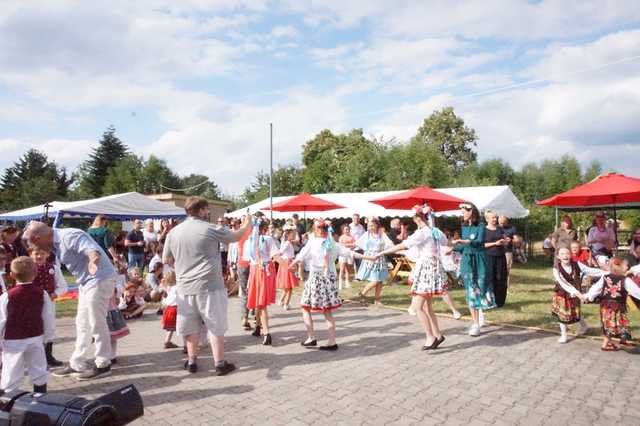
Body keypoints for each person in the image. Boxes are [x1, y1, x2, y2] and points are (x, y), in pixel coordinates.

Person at [162, 196, 251, 375]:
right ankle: (219, 363)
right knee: (215, 324)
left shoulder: (173, 232)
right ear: (201, 210)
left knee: (191, 327)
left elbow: (166, 259)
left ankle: (192, 361)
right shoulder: (209, 228)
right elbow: (236, 236)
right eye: (207, 209)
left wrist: (183, 265)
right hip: (209, 286)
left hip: (185, 288)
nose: (208, 212)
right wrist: (247, 223)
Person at [24, 221, 117, 380]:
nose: (38, 248)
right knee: (81, 322)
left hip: (99, 279)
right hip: (86, 282)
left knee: (96, 322)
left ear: (38, 238)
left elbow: (92, 250)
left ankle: (103, 364)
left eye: (34, 243)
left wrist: (93, 260)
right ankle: (77, 363)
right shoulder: (54, 244)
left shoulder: (69, 236)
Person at [376, 205, 447, 350]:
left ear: (416, 218)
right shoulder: (435, 231)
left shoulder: (422, 232)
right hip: (433, 267)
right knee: (427, 305)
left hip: (426, 268)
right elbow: (446, 243)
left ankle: (430, 337)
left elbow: (403, 245)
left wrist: (382, 253)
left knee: (418, 306)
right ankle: (438, 335)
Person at [289, 220, 357, 351]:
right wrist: (368, 257)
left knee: (305, 307)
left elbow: (301, 255)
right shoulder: (332, 243)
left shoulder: (314, 241)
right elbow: (349, 252)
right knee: (327, 311)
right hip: (329, 279)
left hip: (316, 279)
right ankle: (331, 341)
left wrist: (291, 265)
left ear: (316, 230)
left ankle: (312, 338)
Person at [0, 256, 54, 393]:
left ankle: (8, 403)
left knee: (12, 372)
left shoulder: (6, 297)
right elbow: (47, 317)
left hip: (13, 340)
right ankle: (41, 396)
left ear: (11, 275)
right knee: (39, 369)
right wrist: (47, 337)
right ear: (35, 274)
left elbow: (2, 320)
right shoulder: (42, 294)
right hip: (35, 337)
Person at [452, 203, 497, 337]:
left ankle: (481, 314)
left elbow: (479, 242)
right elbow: (463, 246)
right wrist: (453, 248)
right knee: (470, 290)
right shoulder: (464, 226)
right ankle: (475, 323)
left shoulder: (481, 226)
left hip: (480, 261)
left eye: (463, 211)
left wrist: (466, 242)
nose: (462, 214)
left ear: (471, 211)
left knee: (481, 288)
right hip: (467, 261)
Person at [583, 258, 640, 351]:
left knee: (610, 324)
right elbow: (636, 292)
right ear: (620, 267)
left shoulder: (605, 277)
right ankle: (605, 344)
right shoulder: (625, 280)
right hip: (616, 307)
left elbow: (595, 288)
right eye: (626, 266)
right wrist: (588, 296)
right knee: (614, 325)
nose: (627, 267)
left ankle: (622, 340)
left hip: (606, 306)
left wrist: (589, 296)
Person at [551, 247, 606, 344]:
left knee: (575, 310)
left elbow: (590, 271)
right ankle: (564, 335)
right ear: (558, 257)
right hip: (562, 293)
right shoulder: (556, 269)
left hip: (575, 291)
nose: (565, 256)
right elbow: (564, 283)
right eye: (562, 254)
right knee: (562, 314)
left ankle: (584, 325)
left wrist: (607, 273)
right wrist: (578, 294)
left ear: (571, 255)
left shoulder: (577, 264)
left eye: (567, 253)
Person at [28, 246, 68, 368]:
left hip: (48, 303)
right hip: (31, 305)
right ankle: (34, 358)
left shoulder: (54, 269)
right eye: (36, 254)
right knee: (34, 328)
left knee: (49, 328)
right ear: (30, 254)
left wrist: (55, 293)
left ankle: (48, 356)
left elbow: (63, 286)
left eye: (42, 253)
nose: (39, 256)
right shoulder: (27, 269)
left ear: (47, 254)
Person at [246, 218, 278, 345]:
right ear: (264, 228)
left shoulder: (251, 240)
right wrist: (287, 265)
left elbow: (246, 258)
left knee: (261, 301)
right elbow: (275, 255)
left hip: (257, 269)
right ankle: (259, 328)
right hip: (263, 269)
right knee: (260, 302)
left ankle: (266, 331)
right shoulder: (266, 239)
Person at [355, 217, 393, 306]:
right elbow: (358, 243)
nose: (370, 227)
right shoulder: (367, 234)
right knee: (375, 280)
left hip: (379, 258)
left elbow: (389, 243)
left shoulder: (381, 234)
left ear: (376, 225)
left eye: (372, 225)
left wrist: (392, 248)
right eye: (369, 226)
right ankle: (362, 294)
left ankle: (377, 299)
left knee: (380, 280)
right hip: (370, 259)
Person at [484, 210, 509, 308]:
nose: (495, 219)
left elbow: (505, 239)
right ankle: (489, 300)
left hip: (500, 257)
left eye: (496, 217)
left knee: (501, 278)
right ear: (487, 219)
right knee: (489, 279)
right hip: (488, 257)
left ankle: (500, 302)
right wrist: (495, 243)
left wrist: (506, 241)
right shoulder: (483, 230)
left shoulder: (500, 229)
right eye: (493, 217)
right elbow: (482, 245)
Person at [106, 277, 129, 364]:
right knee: (106, 337)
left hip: (112, 313)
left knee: (112, 337)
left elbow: (121, 291)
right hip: (104, 313)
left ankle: (112, 356)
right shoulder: (99, 286)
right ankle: (108, 355)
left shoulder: (115, 287)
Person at [275, 225, 299, 309]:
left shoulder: (285, 241)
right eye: (292, 234)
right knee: (289, 286)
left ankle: (281, 300)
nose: (294, 235)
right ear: (288, 235)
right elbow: (281, 252)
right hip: (287, 263)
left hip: (286, 263)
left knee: (287, 286)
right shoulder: (287, 242)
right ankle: (286, 304)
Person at [161, 271, 179, 349]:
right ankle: (186, 345)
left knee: (170, 328)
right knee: (182, 327)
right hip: (176, 308)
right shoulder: (177, 287)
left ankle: (167, 341)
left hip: (168, 309)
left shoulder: (168, 288)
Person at [337, 224, 355, 289]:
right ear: (343, 230)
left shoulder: (352, 237)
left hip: (349, 254)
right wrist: (349, 245)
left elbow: (354, 245)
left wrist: (347, 245)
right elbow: (341, 245)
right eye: (346, 229)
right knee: (342, 269)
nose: (347, 230)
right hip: (342, 255)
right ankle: (340, 284)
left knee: (348, 269)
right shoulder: (341, 237)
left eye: (348, 229)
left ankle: (347, 283)